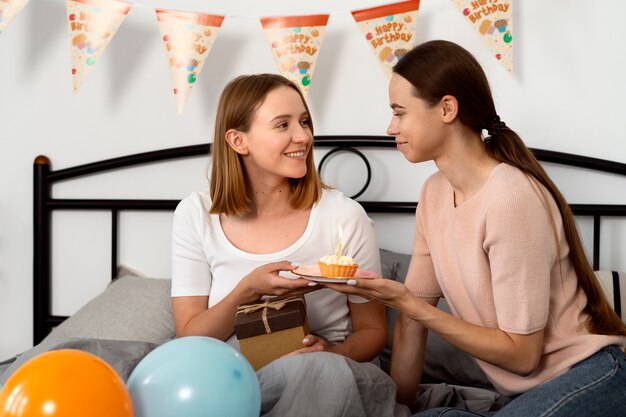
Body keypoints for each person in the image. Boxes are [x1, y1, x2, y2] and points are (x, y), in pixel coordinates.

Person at [323, 40, 626, 416]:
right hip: (526, 396)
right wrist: (397, 409)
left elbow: (523, 355)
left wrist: (407, 302)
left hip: (588, 377)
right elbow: (410, 327)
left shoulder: (510, 198)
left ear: (447, 108)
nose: (390, 127)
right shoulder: (434, 195)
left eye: (400, 113)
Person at [170, 73, 400, 417]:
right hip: (227, 383)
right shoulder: (195, 214)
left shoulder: (343, 215)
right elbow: (189, 340)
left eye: (305, 122)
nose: (303, 136)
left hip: (321, 380)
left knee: (317, 373)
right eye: (283, 125)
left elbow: (372, 331)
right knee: (101, 353)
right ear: (237, 141)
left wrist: (332, 355)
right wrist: (246, 291)